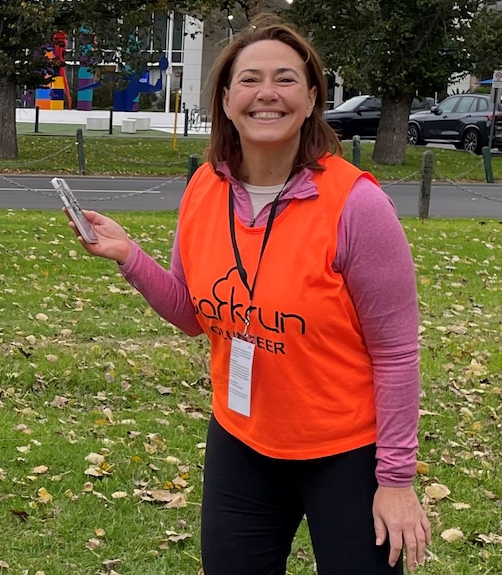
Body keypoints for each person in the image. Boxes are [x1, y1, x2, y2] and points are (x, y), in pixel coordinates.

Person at [65, 12, 430, 575]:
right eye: (250, 79)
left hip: (346, 451)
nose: (267, 94)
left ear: (312, 99)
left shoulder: (356, 205)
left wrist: (396, 480)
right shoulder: (204, 189)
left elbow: (397, 353)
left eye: (286, 79)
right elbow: (195, 315)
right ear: (227, 99)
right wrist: (130, 258)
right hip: (243, 439)